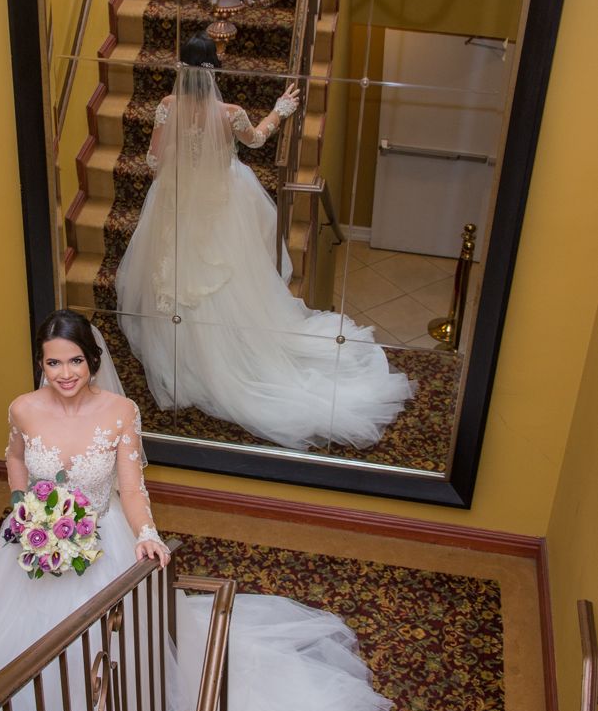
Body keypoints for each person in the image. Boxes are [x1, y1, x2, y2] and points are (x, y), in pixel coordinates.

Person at [0, 310, 392, 711]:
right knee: (24, 641)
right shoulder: (23, 409)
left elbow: (130, 489)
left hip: (103, 543)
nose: (64, 373)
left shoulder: (120, 412)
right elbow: (14, 458)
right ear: (41, 362)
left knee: (109, 649)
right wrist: (22, 505)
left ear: (94, 360)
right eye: (53, 362)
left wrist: (147, 532)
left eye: (75, 361)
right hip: (38, 542)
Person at [116, 34, 416, 452]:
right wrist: (281, 110)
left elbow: (152, 160)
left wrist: (175, 168)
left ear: (181, 68)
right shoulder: (231, 113)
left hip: (178, 198)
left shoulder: (167, 106)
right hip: (220, 200)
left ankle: (185, 358)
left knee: (178, 275)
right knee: (224, 276)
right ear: (214, 69)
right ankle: (227, 351)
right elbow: (256, 139)